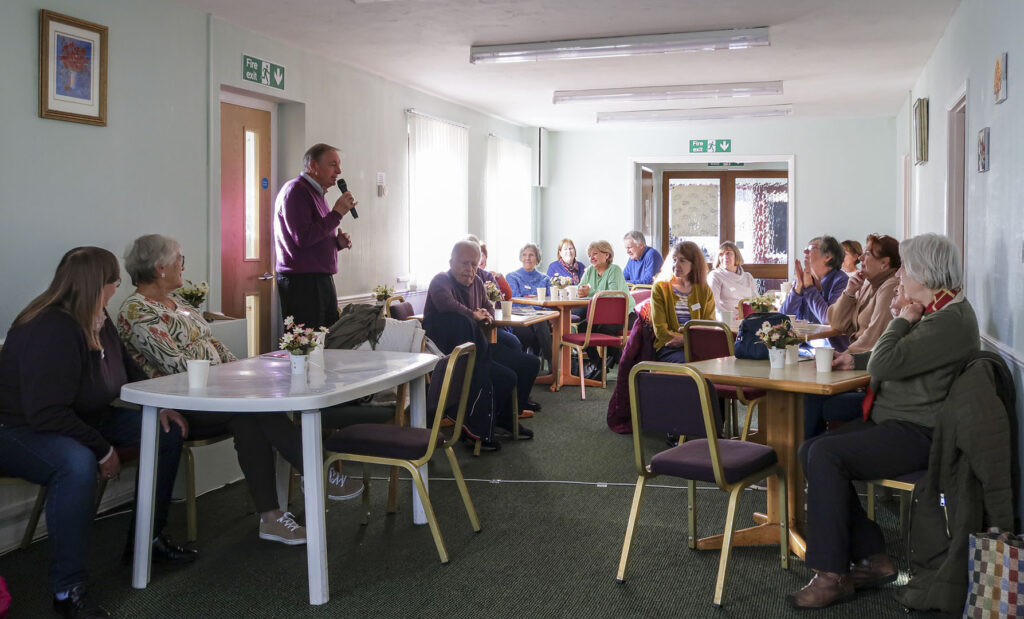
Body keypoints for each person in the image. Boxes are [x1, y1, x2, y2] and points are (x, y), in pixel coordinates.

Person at [117, 235, 361, 547]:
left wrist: (244, 370)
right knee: (255, 409)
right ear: (160, 267)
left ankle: (272, 517)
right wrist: (234, 376)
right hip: (182, 400)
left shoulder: (178, 303)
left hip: (216, 393)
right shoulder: (137, 311)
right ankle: (318, 473)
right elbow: (178, 365)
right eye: (180, 259)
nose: (183, 266)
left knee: (250, 418)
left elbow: (213, 344)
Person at [787, 233, 979, 609]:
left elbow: (886, 361)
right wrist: (853, 360)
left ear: (926, 273)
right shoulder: (939, 310)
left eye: (907, 268)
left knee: (826, 456)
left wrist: (902, 317)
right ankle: (874, 557)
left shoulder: (949, 320)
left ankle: (831, 575)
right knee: (810, 449)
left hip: (920, 433)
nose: (902, 275)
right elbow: (894, 357)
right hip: (894, 420)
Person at [0, 247, 192, 619]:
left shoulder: (96, 316)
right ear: (96, 285)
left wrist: (159, 405)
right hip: (20, 429)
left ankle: (147, 541)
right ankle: (67, 589)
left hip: (80, 419)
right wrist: (103, 450)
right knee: (76, 464)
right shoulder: (49, 328)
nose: (115, 290)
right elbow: (46, 413)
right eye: (114, 283)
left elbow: (127, 367)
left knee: (165, 431)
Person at [422, 240, 536, 448]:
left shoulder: (476, 283)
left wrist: (486, 316)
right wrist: (472, 314)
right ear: (451, 262)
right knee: (503, 376)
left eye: (474, 264)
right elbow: (446, 304)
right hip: (450, 354)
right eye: (465, 263)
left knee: (529, 364)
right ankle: (475, 430)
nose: (471, 270)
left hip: (478, 348)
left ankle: (505, 419)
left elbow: (488, 307)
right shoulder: (440, 280)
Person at [274, 143, 357, 330]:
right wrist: (336, 214)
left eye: (339, 165)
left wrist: (336, 243)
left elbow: (315, 236)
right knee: (307, 345)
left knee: (328, 340)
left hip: (321, 279)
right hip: (302, 283)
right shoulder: (296, 191)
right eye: (332, 164)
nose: (339, 171)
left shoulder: (319, 194)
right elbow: (302, 238)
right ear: (313, 166)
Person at [827, 234, 901, 354]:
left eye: (867, 253)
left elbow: (874, 336)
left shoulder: (891, 286)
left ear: (884, 263)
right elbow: (837, 324)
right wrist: (849, 292)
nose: (860, 258)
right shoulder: (867, 283)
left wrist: (845, 356)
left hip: (868, 361)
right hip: (857, 355)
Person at [650, 241, 716, 363]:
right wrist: (685, 340)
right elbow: (661, 331)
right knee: (692, 365)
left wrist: (686, 340)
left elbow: (709, 326)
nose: (676, 265)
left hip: (697, 346)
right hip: (668, 346)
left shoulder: (704, 290)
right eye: (674, 260)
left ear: (694, 264)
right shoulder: (660, 288)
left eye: (682, 260)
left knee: (719, 363)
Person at [577, 240, 634, 379]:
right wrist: (581, 291)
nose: (591, 258)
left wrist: (590, 292)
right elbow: (581, 288)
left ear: (607, 255)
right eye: (590, 255)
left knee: (603, 330)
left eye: (595, 254)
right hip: (600, 316)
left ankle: (623, 364)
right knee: (583, 327)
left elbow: (613, 294)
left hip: (624, 314)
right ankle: (598, 364)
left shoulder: (614, 270)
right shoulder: (590, 270)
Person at [779, 235, 849, 327]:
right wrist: (797, 289)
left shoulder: (841, 281)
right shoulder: (804, 278)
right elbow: (782, 319)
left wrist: (809, 288)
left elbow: (828, 319)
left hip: (827, 340)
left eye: (811, 248)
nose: (805, 251)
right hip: (802, 339)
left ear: (828, 256)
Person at [505, 243, 553, 369]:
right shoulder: (512, 276)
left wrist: (540, 309)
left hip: (541, 318)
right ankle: (553, 362)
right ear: (521, 258)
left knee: (540, 322)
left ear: (537, 259)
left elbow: (551, 302)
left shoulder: (545, 278)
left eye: (531, 255)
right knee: (540, 322)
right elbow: (516, 301)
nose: (527, 258)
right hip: (520, 317)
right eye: (524, 255)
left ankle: (551, 364)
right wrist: (539, 307)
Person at [706, 241, 758, 315]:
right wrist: (733, 317)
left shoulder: (748, 277)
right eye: (721, 254)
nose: (724, 257)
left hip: (748, 319)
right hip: (727, 321)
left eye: (728, 253)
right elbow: (714, 306)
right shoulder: (715, 276)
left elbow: (757, 301)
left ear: (736, 256)